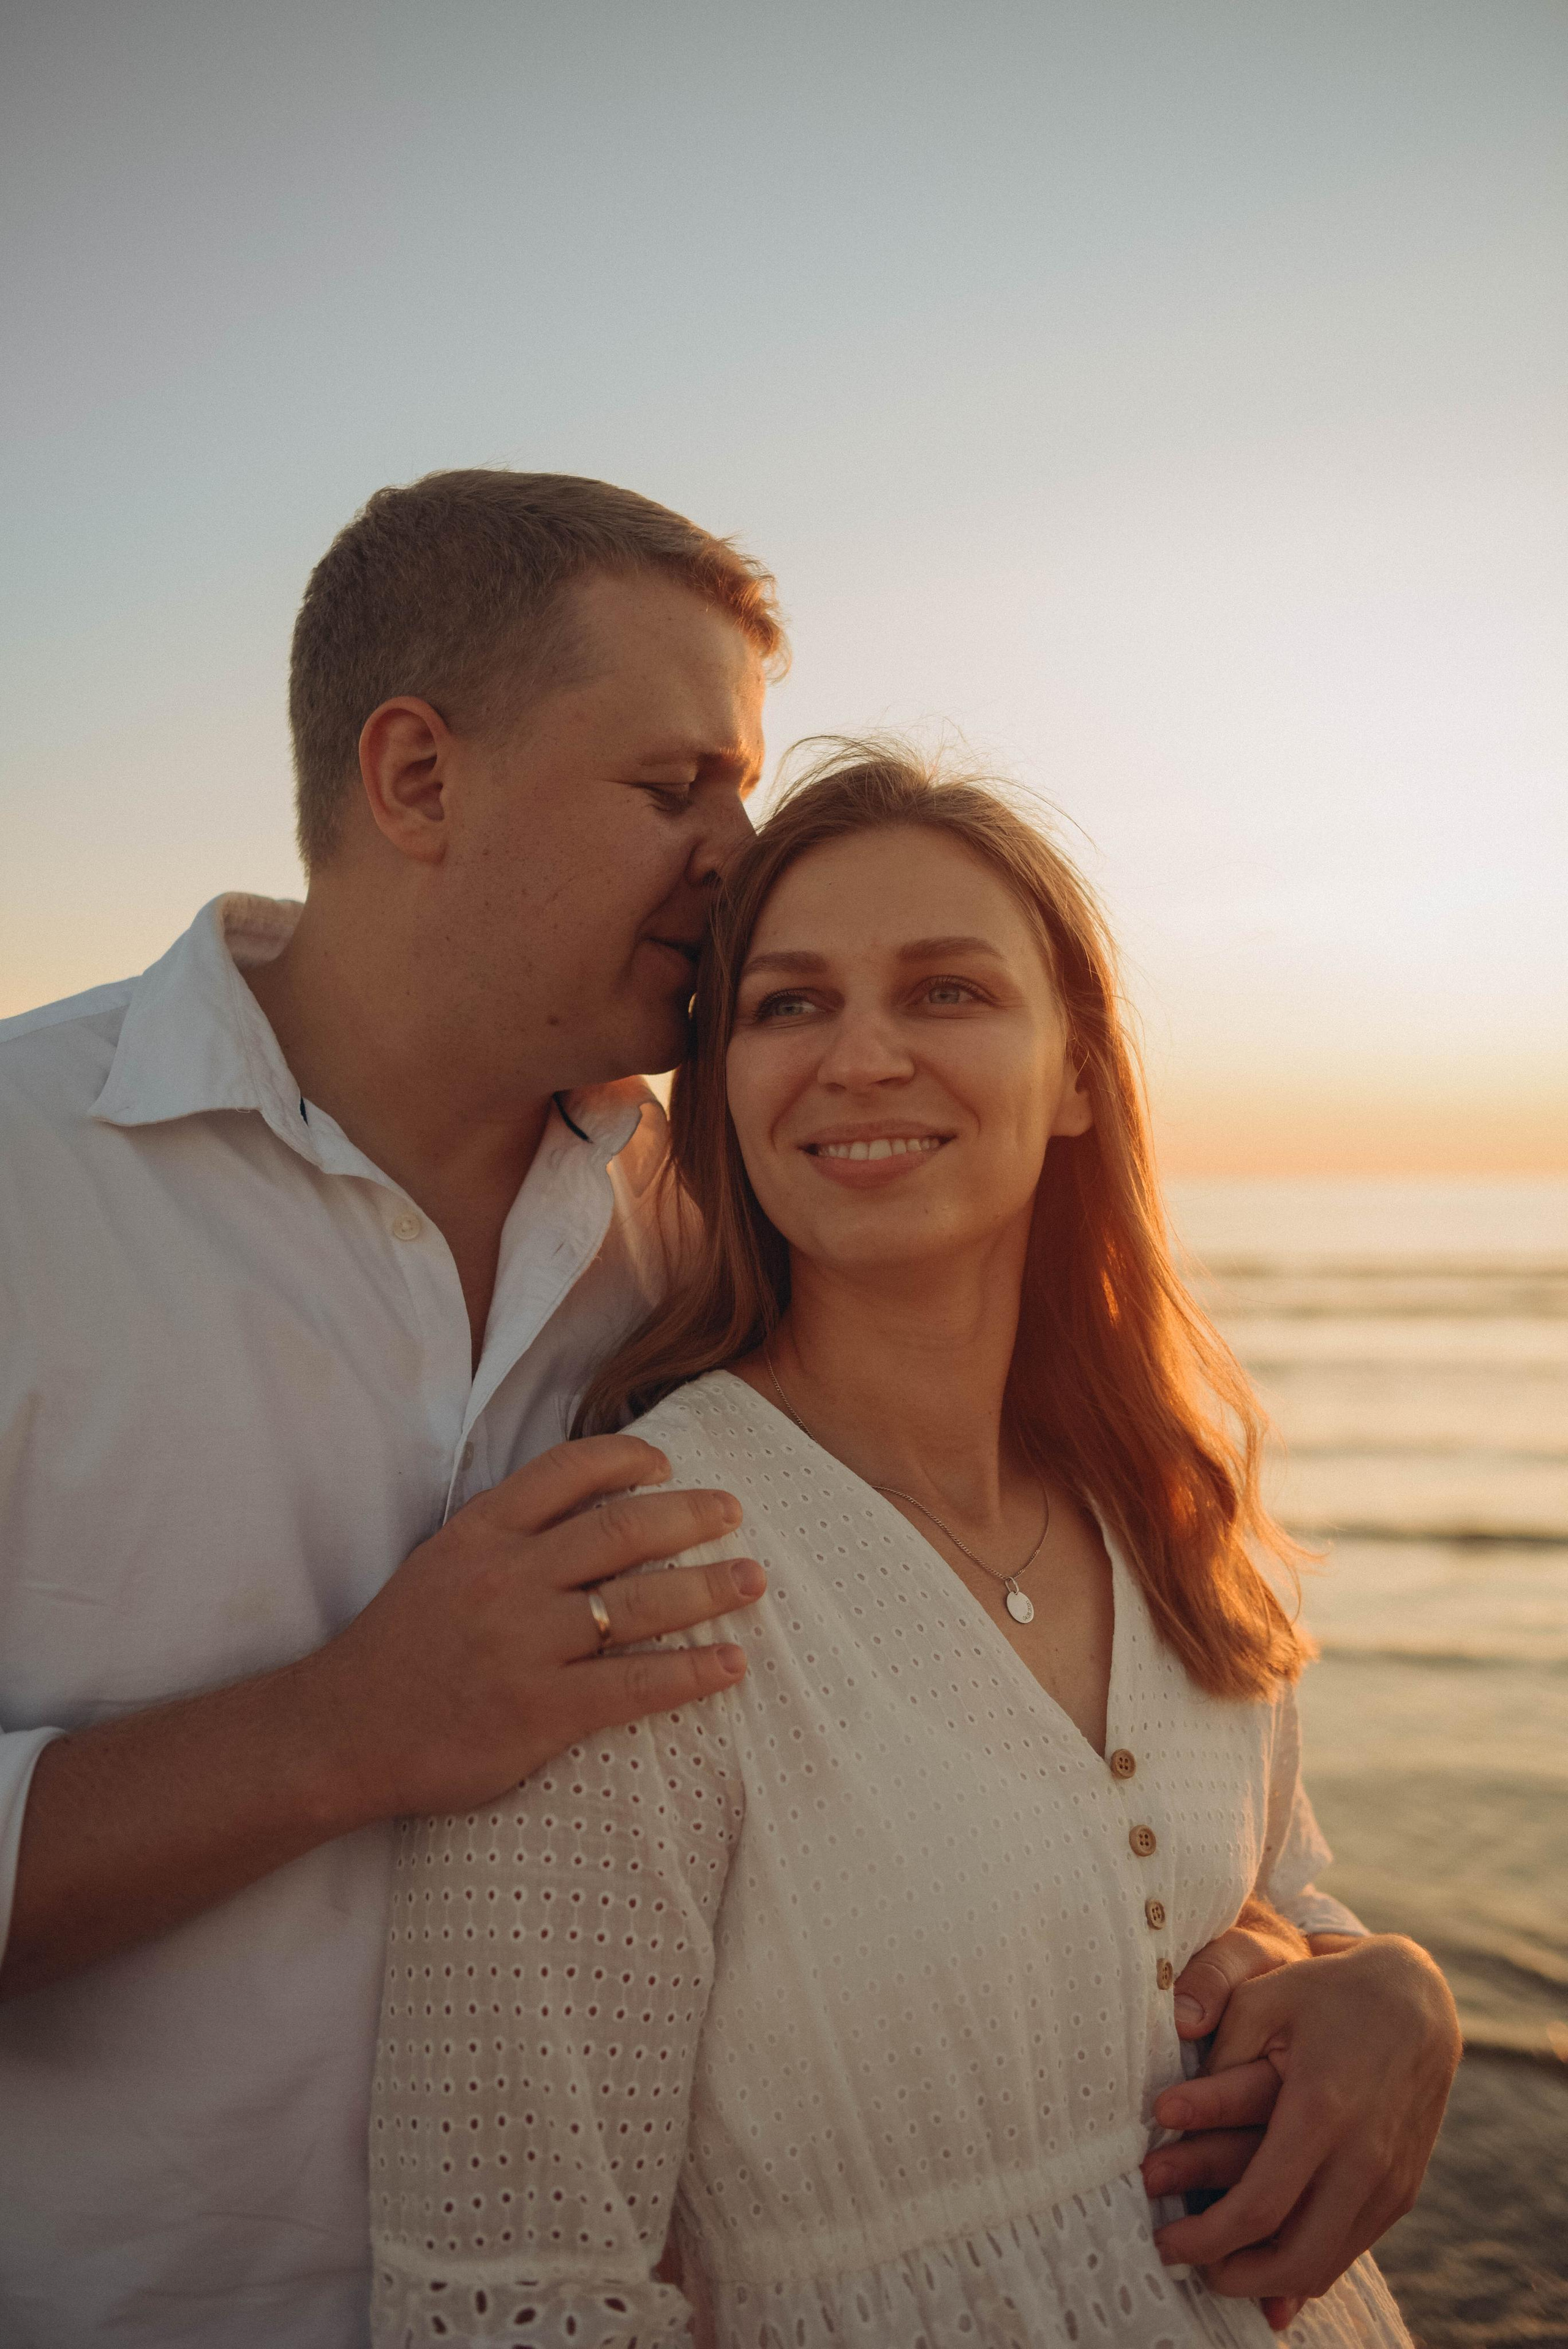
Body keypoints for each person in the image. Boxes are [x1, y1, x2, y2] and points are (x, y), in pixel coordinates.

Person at [0, 475, 1452, 2349]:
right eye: (674, 782)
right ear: (419, 778)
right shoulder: (31, 1180)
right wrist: (341, 1730)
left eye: (744, 785)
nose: (734, 846)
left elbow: (1137, 1856)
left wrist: (1378, 1979)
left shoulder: (708, 1216)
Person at [368, 744, 1460, 2348]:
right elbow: (503, 2297)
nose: (861, 1055)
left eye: (947, 991)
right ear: (726, 1091)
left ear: (1079, 1072)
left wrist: (1394, 1988)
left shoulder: (1164, 1500)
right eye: (788, 1004)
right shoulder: (640, 1570)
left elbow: (1269, 1903)